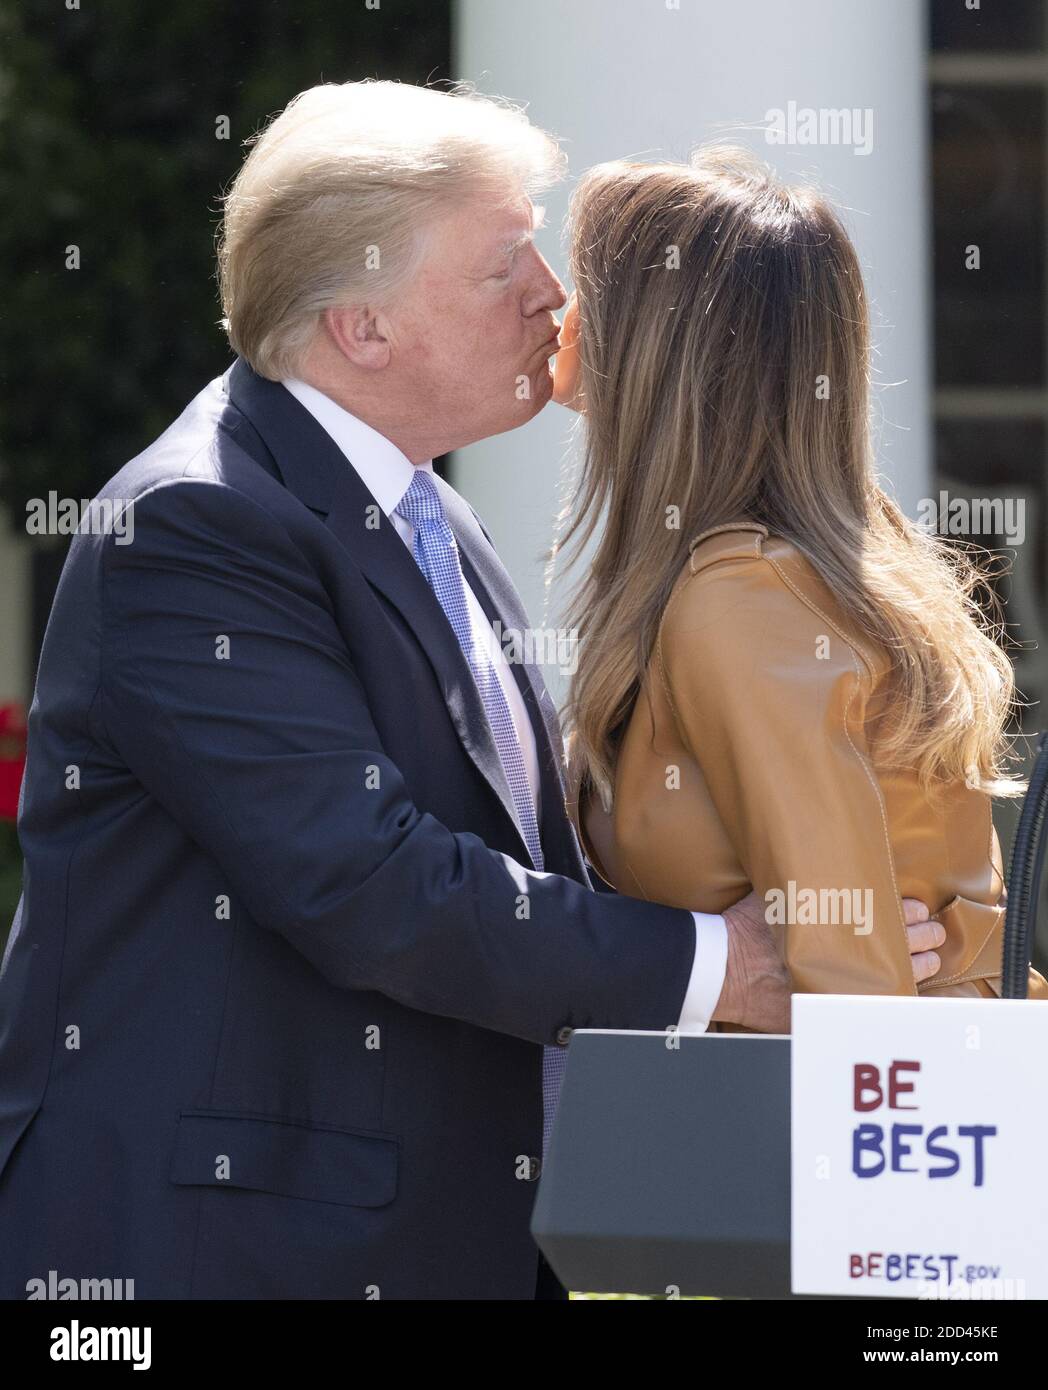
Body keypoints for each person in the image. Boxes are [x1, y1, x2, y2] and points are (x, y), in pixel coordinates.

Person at [0, 85, 941, 1302]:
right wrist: (724, 962)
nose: (556, 295)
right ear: (364, 327)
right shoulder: (199, 522)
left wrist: (809, 900)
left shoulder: (433, 516)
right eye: (506, 263)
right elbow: (370, 883)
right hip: (215, 1255)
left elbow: (515, 863)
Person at [551, 146, 1047, 1013]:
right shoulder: (806, 570)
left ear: (659, 352)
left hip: (814, 1134)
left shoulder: (743, 593)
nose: (557, 317)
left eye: (585, 293)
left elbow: (855, 994)